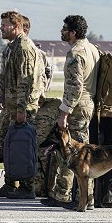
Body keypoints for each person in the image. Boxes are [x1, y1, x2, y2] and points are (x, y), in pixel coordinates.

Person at [40, 15, 99, 209]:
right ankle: (86, 197)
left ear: (73, 32)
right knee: (85, 154)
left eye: (65, 28)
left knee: (71, 152)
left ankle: (63, 194)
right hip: (87, 105)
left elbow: (75, 87)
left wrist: (65, 112)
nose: (62, 31)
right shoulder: (92, 49)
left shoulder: (75, 53)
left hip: (77, 107)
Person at [0, 11, 43, 199]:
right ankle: (10, 183)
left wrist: (22, 109)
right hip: (10, 105)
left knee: (24, 145)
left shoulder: (24, 48)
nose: (1, 28)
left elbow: (25, 81)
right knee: (5, 143)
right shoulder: (11, 47)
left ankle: (27, 187)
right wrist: (1, 95)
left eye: (5, 25)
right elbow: (6, 75)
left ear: (17, 26)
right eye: (2, 24)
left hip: (23, 107)